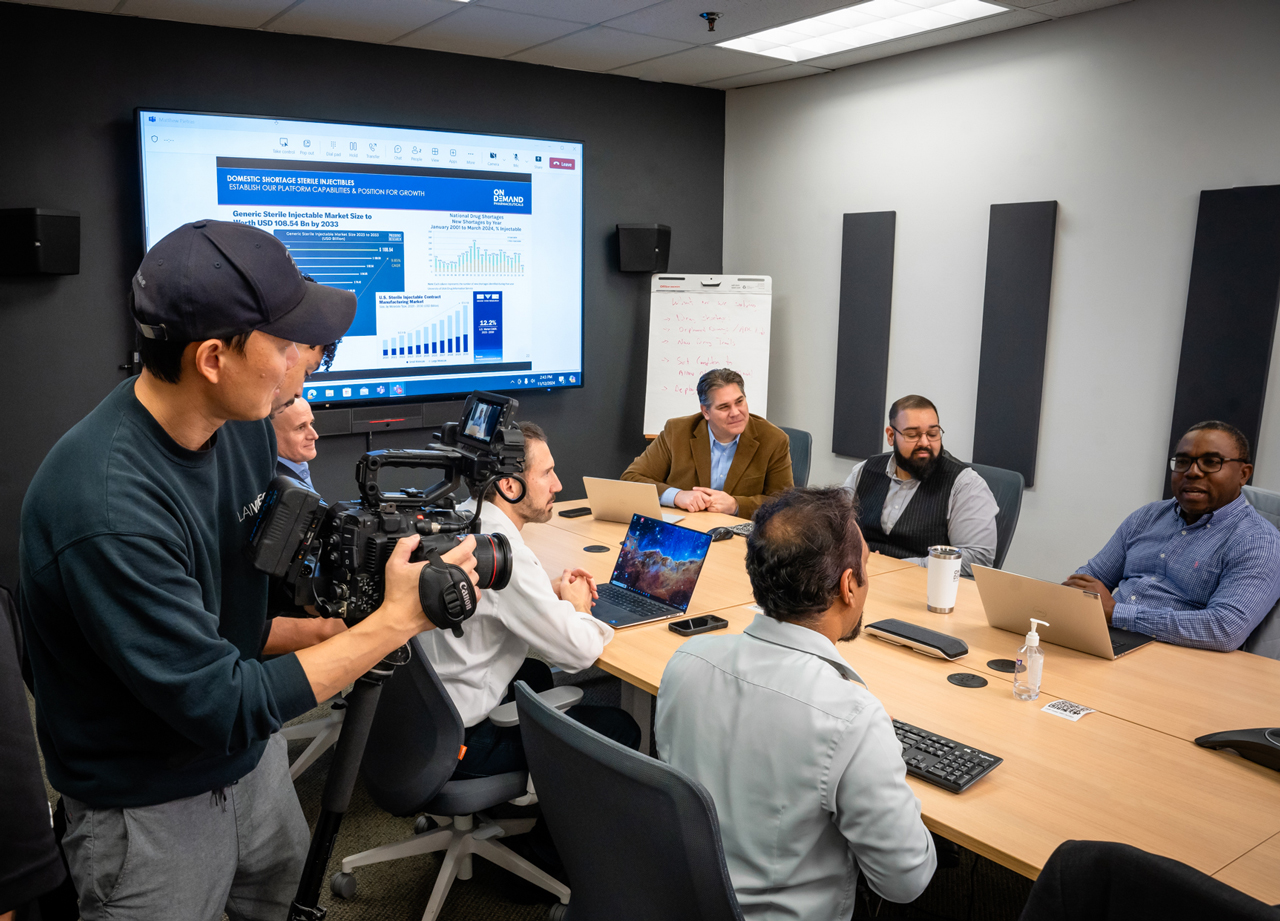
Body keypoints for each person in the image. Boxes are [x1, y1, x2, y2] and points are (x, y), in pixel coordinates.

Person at [18, 219, 479, 921]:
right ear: (212, 358)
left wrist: (313, 628)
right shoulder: (106, 503)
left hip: (252, 765)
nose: (308, 361)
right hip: (147, 808)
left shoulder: (239, 430)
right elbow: (220, 702)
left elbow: (227, 615)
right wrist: (393, 624)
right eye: (289, 344)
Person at [656, 488, 936, 918]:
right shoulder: (853, 718)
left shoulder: (686, 659)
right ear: (848, 586)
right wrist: (884, 755)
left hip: (685, 900)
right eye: (865, 567)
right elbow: (905, 881)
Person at [419, 421, 640, 779]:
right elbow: (579, 653)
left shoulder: (459, 518)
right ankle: (550, 831)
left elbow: (494, 601)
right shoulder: (504, 555)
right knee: (618, 727)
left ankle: (530, 795)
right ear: (509, 485)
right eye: (548, 473)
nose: (558, 485)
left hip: (426, 712)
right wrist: (578, 605)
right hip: (460, 742)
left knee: (533, 673)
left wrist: (545, 591)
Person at [1066, 421, 1280, 652]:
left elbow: (1224, 629)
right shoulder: (1148, 516)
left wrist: (1117, 613)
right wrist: (1070, 597)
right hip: (1107, 639)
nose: (1192, 471)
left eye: (1211, 462)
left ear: (1243, 474)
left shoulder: (1258, 541)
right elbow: (1093, 575)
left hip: (1178, 660)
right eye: (1183, 462)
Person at [844, 394, 998, 576]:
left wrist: (898, 566)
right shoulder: (865, 471)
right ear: (891, 436)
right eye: (912, 435)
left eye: (933, 434)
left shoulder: (964, 485)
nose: (925, 443)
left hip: (924, 589)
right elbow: (835, 528)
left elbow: (977, 558)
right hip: (865, 580)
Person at [621, 368, 792, 518]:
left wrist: (736, 505)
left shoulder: (773, 440)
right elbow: (631, 479)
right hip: (687, 528)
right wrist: (676, 496)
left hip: (740, 535)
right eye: (724, 407)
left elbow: (786, 503)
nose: (735, 413)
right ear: (706, 412)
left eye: (739, 402)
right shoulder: (677, 431)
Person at [272, 395, 319, 490]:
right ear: (272, 434)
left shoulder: (299, 468)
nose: (315, 435)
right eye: (300, 428)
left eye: (311, 424)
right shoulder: (277, 486)